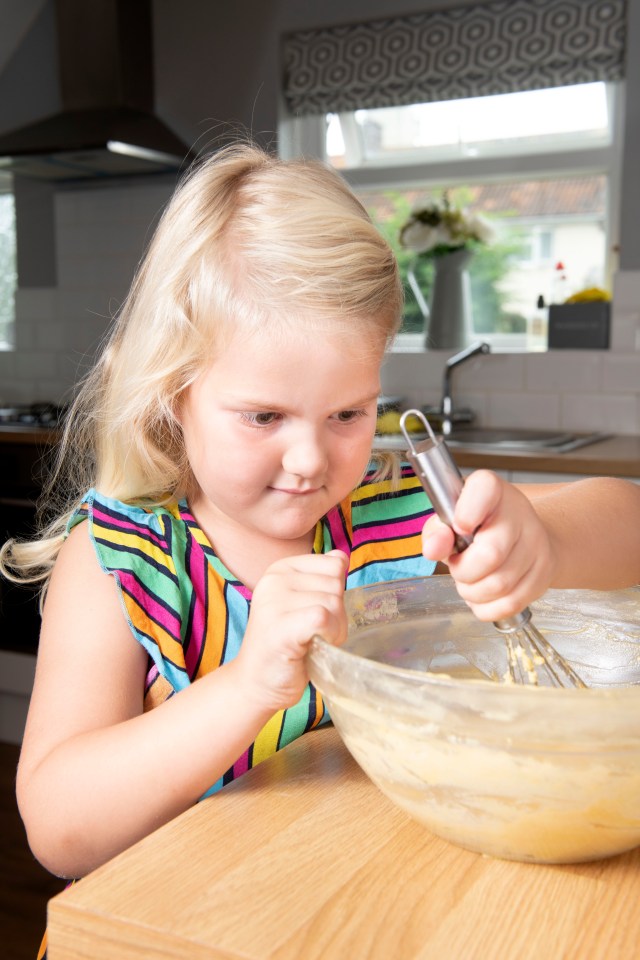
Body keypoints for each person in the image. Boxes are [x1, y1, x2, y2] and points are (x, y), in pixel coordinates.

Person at [2, 142, 640, 907]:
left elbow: (627, 520)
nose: (310, 458)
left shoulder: (395, 518)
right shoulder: (119, 563)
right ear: (174, 394)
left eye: (348, 413)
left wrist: (544, 537)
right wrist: (248, 685)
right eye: (264, 415)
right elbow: (59, 827)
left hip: (338, 905)